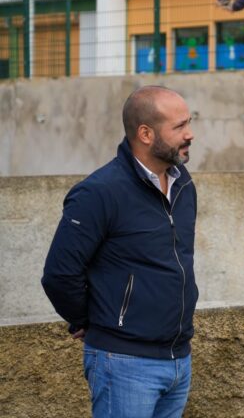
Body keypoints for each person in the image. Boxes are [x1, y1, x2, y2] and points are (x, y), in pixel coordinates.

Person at [41, 85, 198, 418]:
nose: (190, 134)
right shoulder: (99, 192)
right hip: (123, 364)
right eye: (179, 126)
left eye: (189, 123)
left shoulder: (183, 183)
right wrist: (89, 320)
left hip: (178, 361)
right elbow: (59, 274)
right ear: (145, 133)